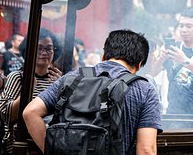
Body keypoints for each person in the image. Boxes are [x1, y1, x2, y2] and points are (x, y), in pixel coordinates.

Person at [23, 29, 162, 155]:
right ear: (139, 64)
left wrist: (51, 150)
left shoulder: (71, 79)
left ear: (104, 55)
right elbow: (146, 150)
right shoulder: (145, 90)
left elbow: (30, 112)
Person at [0, 28, 63, 153]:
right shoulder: (18, 77)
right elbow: (6, 114)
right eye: (39, 48)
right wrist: (27, 90)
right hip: (21, 147)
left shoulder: (59, 79)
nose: (44, 52)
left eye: (49, 48)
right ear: (28, 50)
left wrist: (63, 88)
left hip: (50, 143)